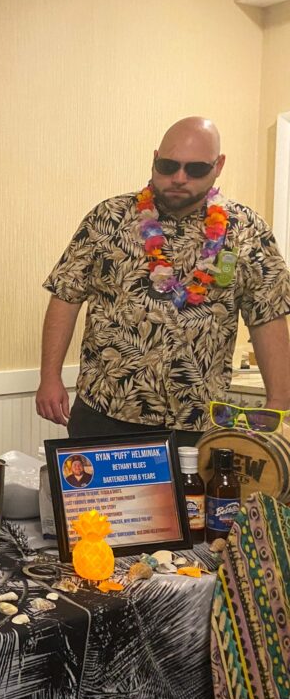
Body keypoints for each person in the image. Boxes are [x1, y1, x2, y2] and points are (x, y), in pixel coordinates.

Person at [37, 117, 290, 450]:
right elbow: (65, 296)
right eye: (168, 166)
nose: (179, 178)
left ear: (219, 166)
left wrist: (281, 404)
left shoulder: (247, 230)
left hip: (196, 424)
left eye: (195, 169)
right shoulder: (108, 218)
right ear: (154, 158)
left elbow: (267, 317)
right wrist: (49, 377)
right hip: (105, 411)